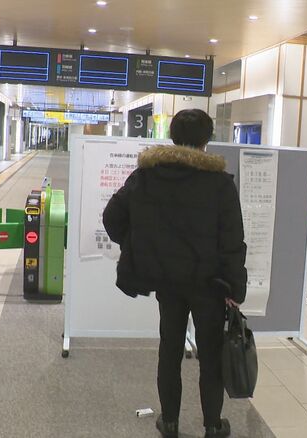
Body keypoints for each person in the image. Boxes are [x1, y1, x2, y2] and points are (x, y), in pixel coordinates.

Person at [103, 109, 247, 438]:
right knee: (210, 354)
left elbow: (112, 217)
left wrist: (139, 246)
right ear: (207, 139)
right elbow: (232, 241)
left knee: (169, 349)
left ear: (172, 136)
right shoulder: (219, 183)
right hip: (210, 284)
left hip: (167, 281)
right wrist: (235, 287)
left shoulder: (147, 176)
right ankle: (213, 425)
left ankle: (169, 421)